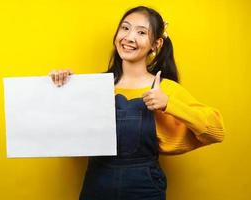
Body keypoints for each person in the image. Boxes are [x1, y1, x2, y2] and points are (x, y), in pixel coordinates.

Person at [48, 5, 225, 200]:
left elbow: (216, 131)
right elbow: (67, 138)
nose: (129, 37)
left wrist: (169, 104)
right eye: (125, 28)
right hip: (97, 187)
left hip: (144, 188)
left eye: (141, 32)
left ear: (156, 44)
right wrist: (62, 87)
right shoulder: (94, 87)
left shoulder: (164, 89)